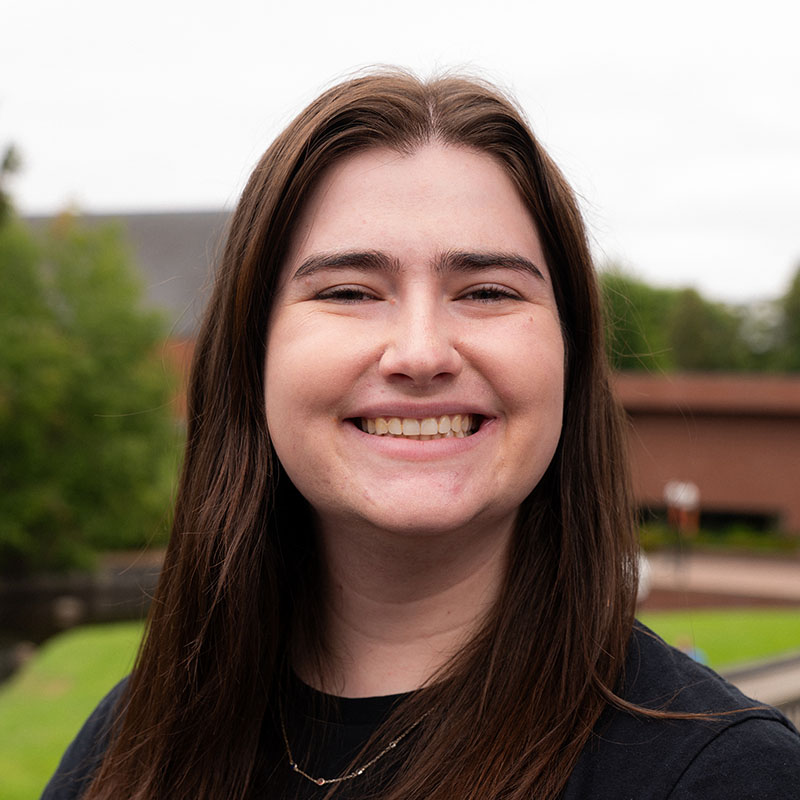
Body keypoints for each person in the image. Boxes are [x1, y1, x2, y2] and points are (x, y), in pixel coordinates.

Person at [42, 70, 800, 800]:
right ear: (253, 352)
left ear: (568, 352)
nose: (420, 353)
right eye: (348, 291)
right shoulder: (130, 747)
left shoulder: (723, 774)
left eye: (487, 291)